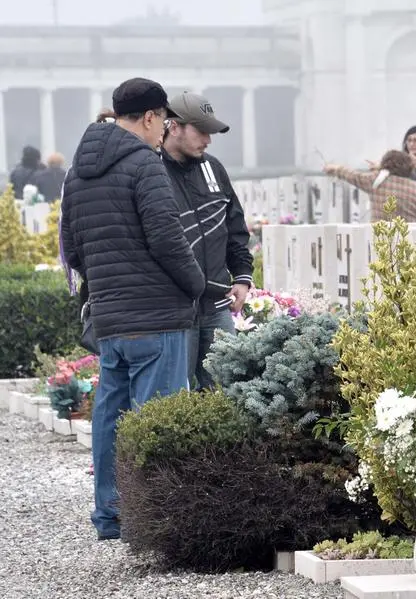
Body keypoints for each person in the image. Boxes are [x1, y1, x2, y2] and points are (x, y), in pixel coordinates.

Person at [59, 77, 205, 541]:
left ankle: (111, 515)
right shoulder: (145, 164)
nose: (164, 130)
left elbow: (71, 248)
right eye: (164, 120)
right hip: (157, 316)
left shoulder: (77, 171)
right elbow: (167, 238)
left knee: (110, 419)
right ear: (148, 117)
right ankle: (151, 519)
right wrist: (196, 284)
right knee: (154, 422)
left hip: (110, 317)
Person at [160, 91, 254, 390]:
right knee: (177, 393)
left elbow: (234, 226)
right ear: (174, 127)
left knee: (226, 387)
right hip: (174, 306)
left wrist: (242, 276)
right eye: (201, 131)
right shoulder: (150, 171)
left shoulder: (213, 168)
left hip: (216, 304)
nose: (208, 140)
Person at [325, 150, 416, 222]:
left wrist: (335, 168)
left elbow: (353, 176)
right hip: (407, 239)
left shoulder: (377, 181)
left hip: (380, 238)